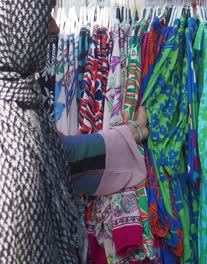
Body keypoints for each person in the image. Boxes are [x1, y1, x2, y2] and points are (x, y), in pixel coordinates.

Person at [0, 0, 149, 262]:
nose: (56, 29)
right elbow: (63, 159)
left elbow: (57, 156)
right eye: (45, 16)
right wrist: (131, 134)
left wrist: (129, 133)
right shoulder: (10, 115)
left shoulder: (18, 98)